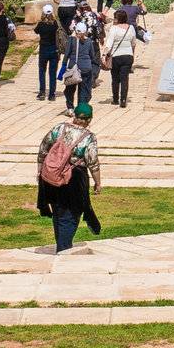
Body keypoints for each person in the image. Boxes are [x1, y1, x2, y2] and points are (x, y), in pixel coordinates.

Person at [36, 102, 101, 253]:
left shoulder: (59, 128)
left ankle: (61, 246)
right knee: (70, 215)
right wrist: (97, 183)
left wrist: (40, 171)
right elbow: (92, 161)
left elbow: (43, 148)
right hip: (73, 180)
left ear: (74, 116)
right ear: (89, 120)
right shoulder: (88, 137)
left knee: (58, 213)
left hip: (50, 177)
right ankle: (63, 250)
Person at [104, 9, 141, 108]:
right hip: (128, 56)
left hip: (116, 57)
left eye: (115, 18)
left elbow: (109, 44)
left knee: (115, 79)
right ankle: (123, 99)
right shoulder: (131, 28)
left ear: (117, 19)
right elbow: (133, 43)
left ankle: (115, 99)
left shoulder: (114, 29)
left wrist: (105, 55)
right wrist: (132, 53)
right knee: (125, 79)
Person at [60, 19, 98, 112]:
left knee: (70, 89)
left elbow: (66, 55)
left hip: (73, 68)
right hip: (86, 68)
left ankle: (70, 108)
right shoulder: (89, 41)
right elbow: (92, 56)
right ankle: (81, 107)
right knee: (84, 89)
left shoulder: (71, 40)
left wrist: (62, 69)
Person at [34, 2, 59, 103]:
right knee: (52, 73)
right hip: (54, 49)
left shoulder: (41, 24)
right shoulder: (55, 24)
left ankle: (42, 92)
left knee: (42, 71)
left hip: (44, 49)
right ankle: (52, 94)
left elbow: (36, 31)